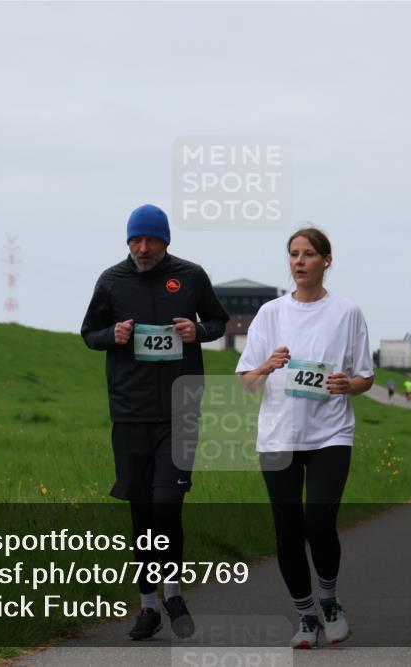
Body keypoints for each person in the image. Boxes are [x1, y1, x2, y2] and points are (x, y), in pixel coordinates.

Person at [81, 204, 229, 640]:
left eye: (151, 240)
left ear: (165, 241)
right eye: (136, 240)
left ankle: (174, 593)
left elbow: (218, 321)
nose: (143, 248)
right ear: (128, 241)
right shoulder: (111, 281)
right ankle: (148, 607)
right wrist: (112, 336)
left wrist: (198, 331)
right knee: (141, 511)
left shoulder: (191, 276)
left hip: (180, 409)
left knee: (167, 503)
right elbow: (89, 333)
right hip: (130, 412)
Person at [236, 228, 373, 649]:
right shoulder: (270, 313)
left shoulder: (347, 312)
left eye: (308, 254)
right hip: (279, 436)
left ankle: (329, 602)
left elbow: (365, 377)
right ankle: (305, 615)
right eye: (293, 254)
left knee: (319, 522)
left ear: (326, 260)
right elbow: (247, 382)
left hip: (330, 433)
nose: (299, 261)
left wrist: (347, 385)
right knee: (288, 531)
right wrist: (266, 366)